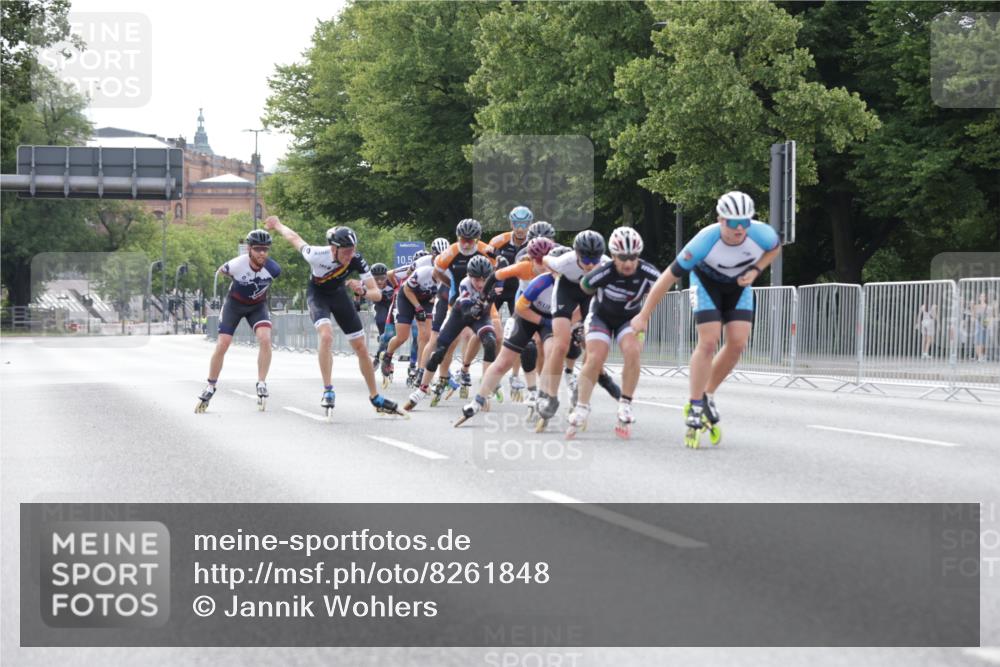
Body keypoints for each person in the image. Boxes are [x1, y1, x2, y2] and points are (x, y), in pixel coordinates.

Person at [631, 191, 780, 446]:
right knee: (709, 341)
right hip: (706, 284)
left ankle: (707, 394)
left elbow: (775, 248)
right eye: (733, 223)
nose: (740, 229)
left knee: (738, 343)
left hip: (738, 285)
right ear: (721, 220)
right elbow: (667, 278)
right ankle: (695, 402)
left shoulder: (762, 233)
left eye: (745, 222)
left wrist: (756, 270)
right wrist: (644, 315)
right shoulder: (704, 241)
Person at [264, 215, 402, 417]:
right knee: (327, 336)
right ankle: (328, 390)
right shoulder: (315, 254)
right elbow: (294, 238)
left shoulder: (357, 260)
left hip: (339, 296)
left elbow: (377, 294)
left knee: (361, 347)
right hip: (318, 296)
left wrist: (363, 291)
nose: (350, 255)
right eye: (346, 251)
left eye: (352, 250)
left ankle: (375, 397)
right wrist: (277, 225)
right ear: (333, 249)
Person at [566, 227, 660, 439]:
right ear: (613, 256)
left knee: (633, 351)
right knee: (595, 357)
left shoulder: (648, 272)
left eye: (633, 257)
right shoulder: (604, 272)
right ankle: (581, 406)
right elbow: (585, 286)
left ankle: (625, 403)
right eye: (622, 258)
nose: (628, 263)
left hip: (629, 319)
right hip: (601, 317)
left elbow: (662, 287)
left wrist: (644, 315)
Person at [195, 229, 280, 413]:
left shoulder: (273, 269)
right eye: (257, 249)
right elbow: (219, 273)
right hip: (234, 305)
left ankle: (261, 383)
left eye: (265, 249)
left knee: (265, 339)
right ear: (249, 249)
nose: (262, 253)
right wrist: (216, 294)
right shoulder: (235, 265)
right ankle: (210, 385)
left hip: (257, 307)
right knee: (223, 344)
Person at [535, 230, 609, 427]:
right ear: (576, 254)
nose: (591, 264)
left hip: (590, 294)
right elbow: (545, 260)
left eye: (595, 259)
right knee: (560, 345)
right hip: (566, 291)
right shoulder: (564, 262)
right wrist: (549, 268)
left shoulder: (606, 263)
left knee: (592, 347)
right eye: (586, 259)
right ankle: (551, 396)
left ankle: (580, 389)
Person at [406, 255, 498, 410]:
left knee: (490, 342)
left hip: (481, 316)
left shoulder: (492, 283)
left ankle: (484, 392)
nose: (481, 284)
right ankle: (422, 389)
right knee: (439, 350)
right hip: (461, 314)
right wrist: (482, 302)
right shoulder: (465, 283)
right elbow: (468, 313)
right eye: (477, 280)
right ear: (469, 276)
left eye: (484, 280)